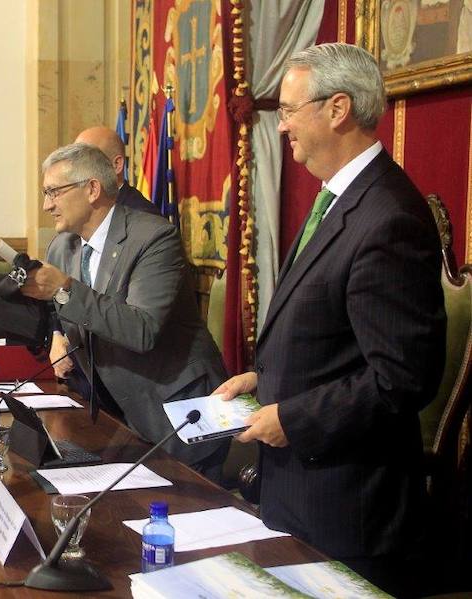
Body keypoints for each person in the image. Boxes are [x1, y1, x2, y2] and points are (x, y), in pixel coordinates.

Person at [212, 43, 445, 595]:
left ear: (337, 109)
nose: (283, 124)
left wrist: (291, 416)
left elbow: (401, 378)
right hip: (302, 492)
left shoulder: (387, 216)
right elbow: (330, 337)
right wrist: (262, 380)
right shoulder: (339, 200)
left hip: (349, 510)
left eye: (290, 110)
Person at [0, 143, 229, 480]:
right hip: (118, 412)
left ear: (92, 189)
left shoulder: (154, 238)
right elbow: (33, 320)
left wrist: (64, 289)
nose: (46, 204)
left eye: (53, 191)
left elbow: (142, 329)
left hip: (177, 410)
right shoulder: (63, 246)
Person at [75, 125, 162, 216]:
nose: (75, 170)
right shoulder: (78, 209)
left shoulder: (144, 215)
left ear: (116, 164)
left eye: (84, 161)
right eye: (74, 162)